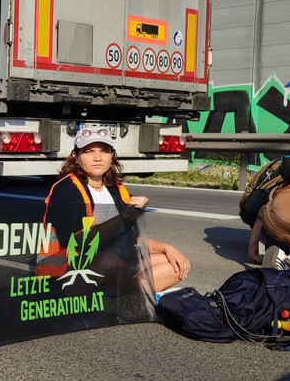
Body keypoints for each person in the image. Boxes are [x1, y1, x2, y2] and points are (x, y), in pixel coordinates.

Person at [41, 125, 190, 294]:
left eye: (104, 151)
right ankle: (130, 299)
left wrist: (166, 247)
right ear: (76, 156)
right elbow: (75, 241)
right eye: (89, 151)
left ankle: (126, 295)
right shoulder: (66, 190)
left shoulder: (116, 190)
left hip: (112, 266)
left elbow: (132, 239)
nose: (97, 157)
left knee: (175, 264)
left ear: (112, 156)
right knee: (110, 261)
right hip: (66, 273)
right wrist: (123, 217)